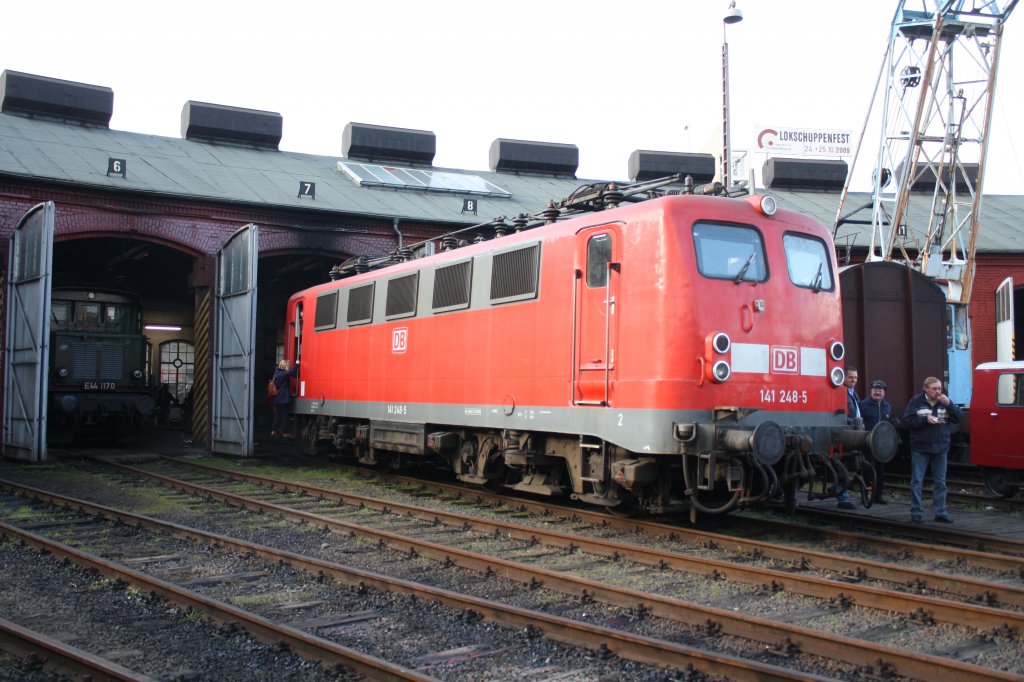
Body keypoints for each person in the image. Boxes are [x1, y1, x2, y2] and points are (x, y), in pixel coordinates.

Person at [903, 376, 962, 523]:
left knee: (940, 482)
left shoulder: (945, 403)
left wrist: (950, 405)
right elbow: (908, 421)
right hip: (921, 447)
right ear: (925, 388)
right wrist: (925, 420)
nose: (938, 391)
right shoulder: (916, 401)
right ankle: (916, 512)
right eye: (934, 388)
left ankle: (940, 512)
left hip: (940, 447)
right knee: (917, 481)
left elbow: (959, 418)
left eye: (939, 388)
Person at [859, 379, 893, 504]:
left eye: (880, 390)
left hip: (882, 446)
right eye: (875, 390)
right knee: (868, 471)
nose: (877, 393)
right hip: (867, 444)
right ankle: (865, 496)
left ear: (884, 393)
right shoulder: (862, 405)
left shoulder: (887, 406)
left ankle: (878, 496)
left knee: (880, 472)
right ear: (871, 391)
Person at [836, 367, 861, 509]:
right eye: (851, 377)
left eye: (856, 378)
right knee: (843, 464)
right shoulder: (841, 393)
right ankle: (843, 496)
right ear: (843, 378)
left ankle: (839, 490)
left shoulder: (853, 394)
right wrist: (853, 422)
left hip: (855, 432)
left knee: (850, 464)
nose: (854, 380)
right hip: (847, 432)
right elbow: (840, 415)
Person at [270, 360, 299, 438]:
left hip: (277, 398)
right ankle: (284, 432)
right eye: (287, 366)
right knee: (285, 415)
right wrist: (296, 364)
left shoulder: (276, 373)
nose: (288, 367)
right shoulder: (283, 374)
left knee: (277, 415)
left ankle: (274, 430)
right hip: (283, 399)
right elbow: (292, 372)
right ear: (284, 366)